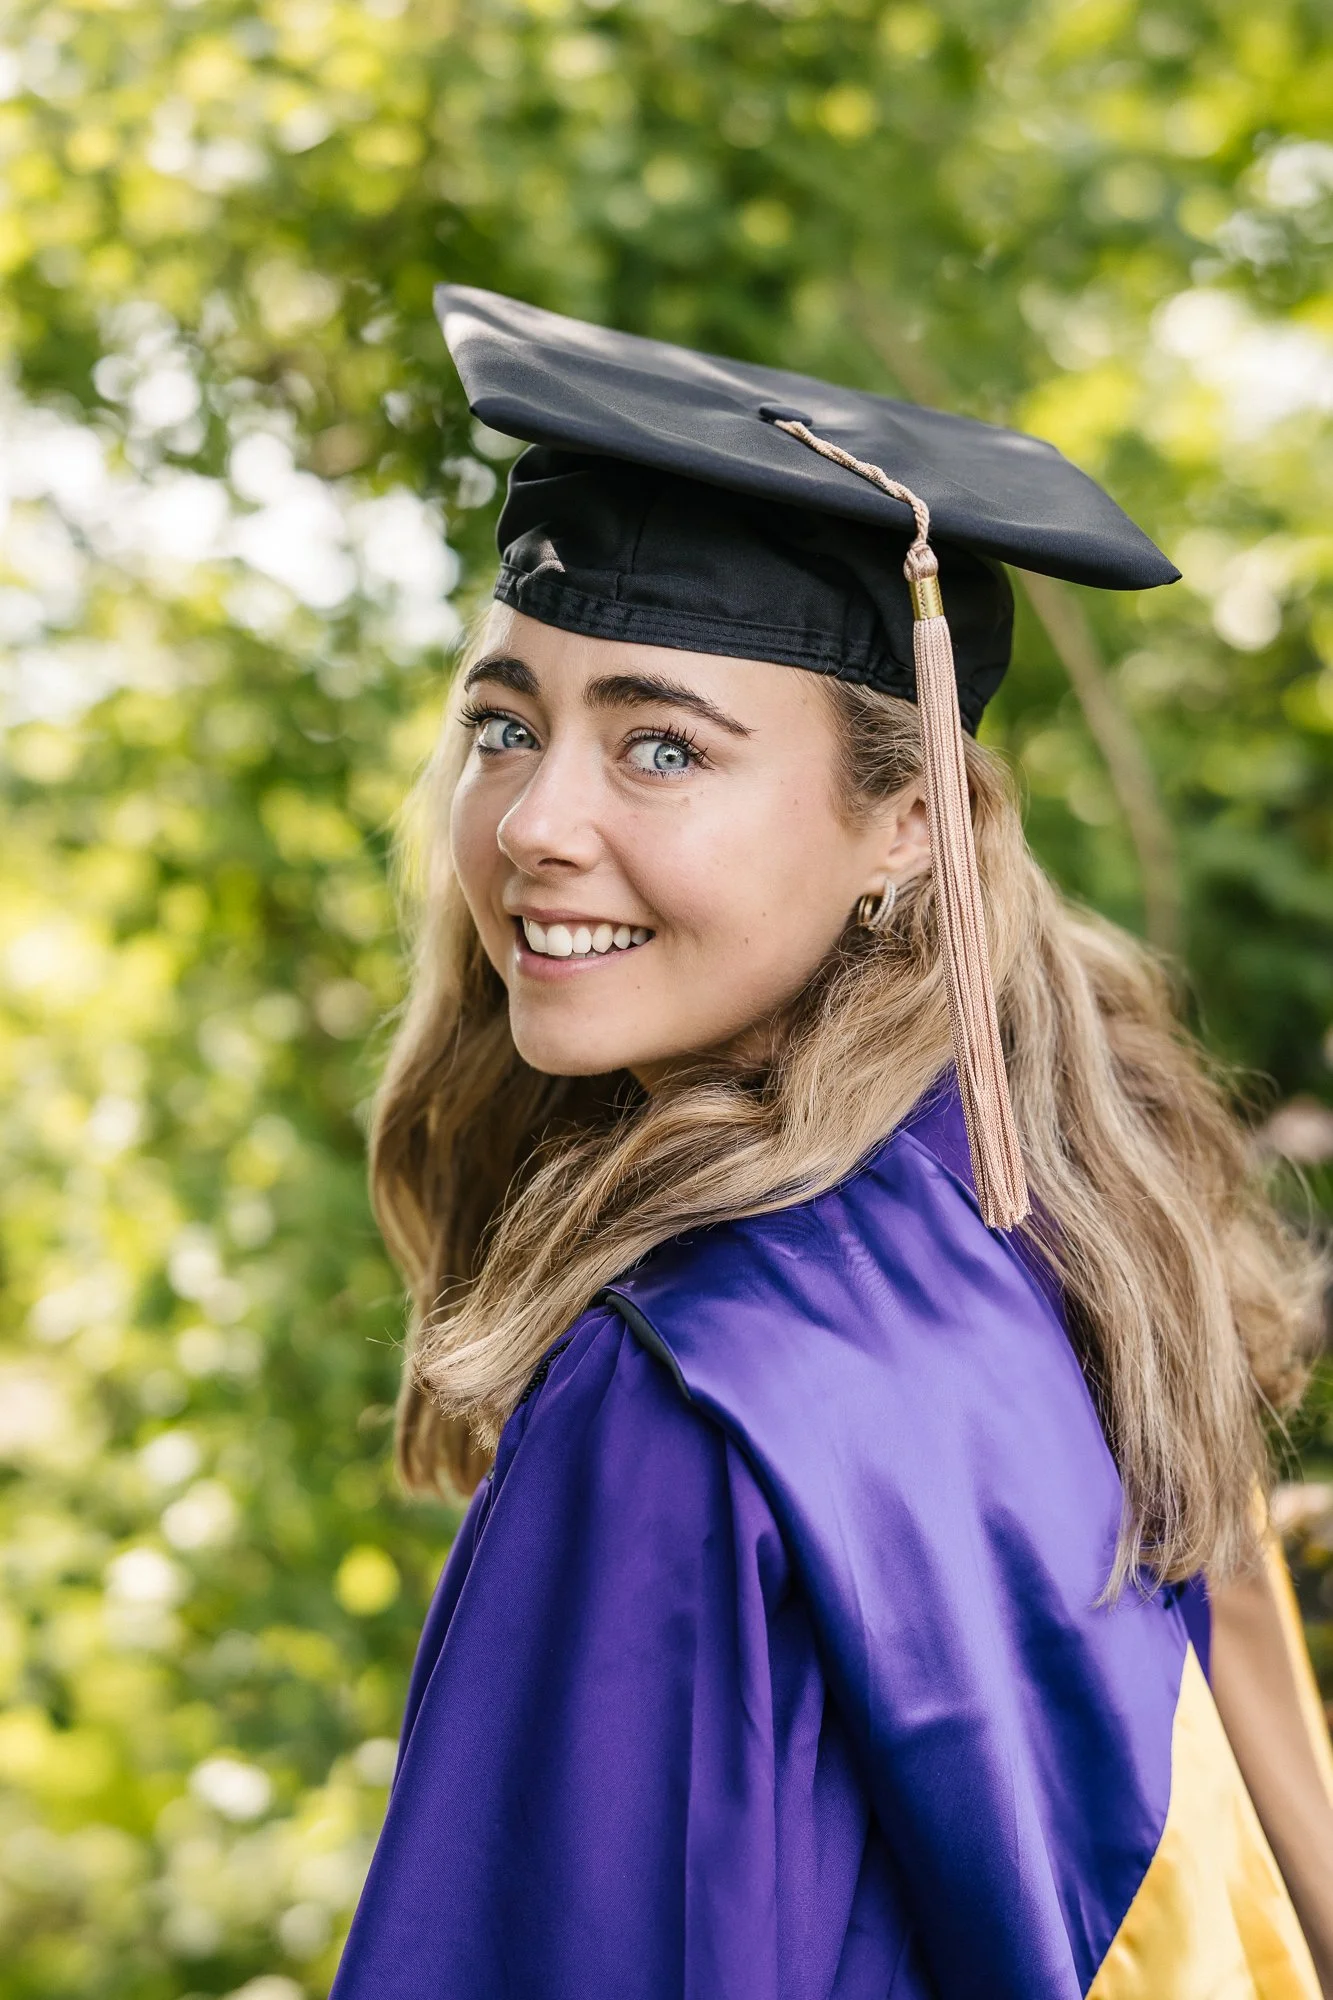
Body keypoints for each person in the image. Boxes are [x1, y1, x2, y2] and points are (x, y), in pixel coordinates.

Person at [330, 288, 1333, 1999]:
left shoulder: (693, 1389)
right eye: (507, 723)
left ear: (907, 821)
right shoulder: (1068, 1244)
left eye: (661, 745)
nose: (535, 822)